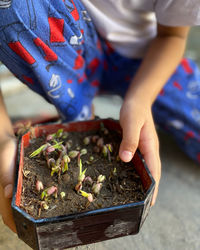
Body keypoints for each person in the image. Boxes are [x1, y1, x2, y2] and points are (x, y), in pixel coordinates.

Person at [0, 0, 200, 233]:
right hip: (67, 47)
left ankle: (61, 115)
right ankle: (76, 116)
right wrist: (2, 135)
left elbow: (173, 36)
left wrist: (140, 99)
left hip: (143, 58)